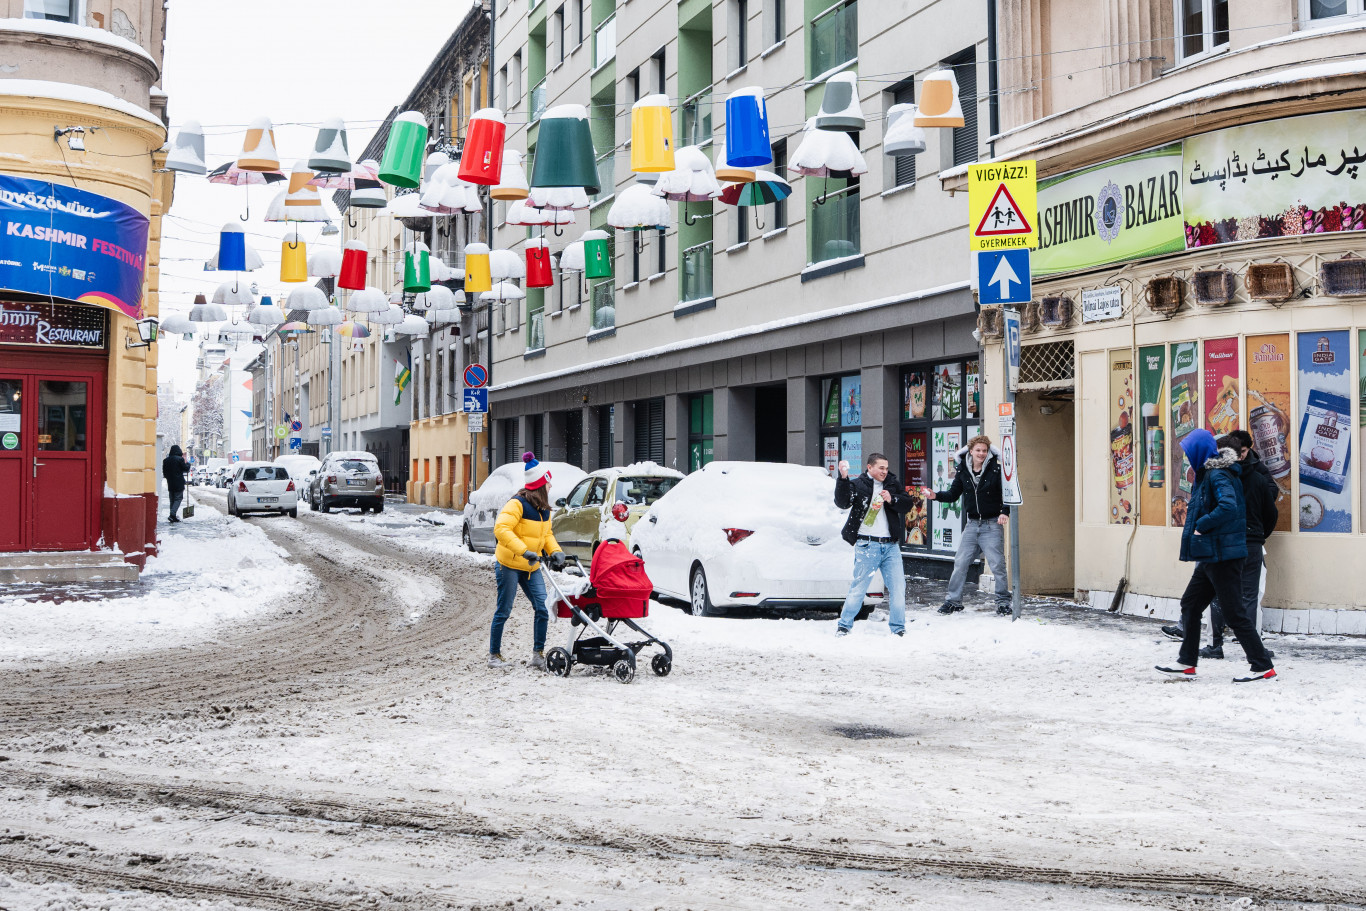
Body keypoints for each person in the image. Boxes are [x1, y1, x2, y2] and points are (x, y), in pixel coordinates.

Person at [1156, 429, 1276, 682]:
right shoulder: (1208, 473)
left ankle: (1262, 666)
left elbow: (1228, 506)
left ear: (1200, 451)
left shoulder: (1217, 473)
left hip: (1223, 555)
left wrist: (1202, 525)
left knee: (1234, 614)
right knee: (1191, 604)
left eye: (1189, 452)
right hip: (1212, 553)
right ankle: (1186, 662)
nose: (1187, 457)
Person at [489, 452, 566, 670]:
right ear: (540, 485)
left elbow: (547, 535)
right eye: (548, 483)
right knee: (504, 610)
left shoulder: (544, 510)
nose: (551, 486)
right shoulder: (517, 504)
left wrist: (556, 551)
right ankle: (494, 656)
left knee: (543, 608)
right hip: (509, 565)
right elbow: (501, 529)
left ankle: (538, 655)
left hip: (531, 567)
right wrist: (523, 551)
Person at [923, 435, 1011, 616]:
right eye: (978, 450)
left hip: (992, 524)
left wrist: (1004, 512)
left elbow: (1007, 493)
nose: (981, 453)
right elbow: (953, 494)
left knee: (997, 565)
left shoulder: (996, 469)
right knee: (960, 563)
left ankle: (1003, 602)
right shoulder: (963, 470)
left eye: (984, 451)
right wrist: (935, 496)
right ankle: (953, 602)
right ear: (971, 451)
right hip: (972, 525)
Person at [834, 452, 913, 637]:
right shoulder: (858, 484)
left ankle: (898, 628)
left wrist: (892, 499)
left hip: (891, 546)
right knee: (859, 588)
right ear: (870, 467)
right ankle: (844, 625)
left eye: (886, 468)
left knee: (898, 588)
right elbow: (842, 502)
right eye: (881, 468)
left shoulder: (892, 484)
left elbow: (907, 504)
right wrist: (843, 479)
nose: (885, 472)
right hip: (867, 544)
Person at [161, 445, 190, 523]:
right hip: (179, 483)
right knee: (178, 498)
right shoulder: (180, 459)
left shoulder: (166, 460)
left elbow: (165, 473)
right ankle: (172, 514)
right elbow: (186, 469)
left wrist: (169, 478)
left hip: (170, 483)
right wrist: (188, 464)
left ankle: (173, 516)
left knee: (172, 499)